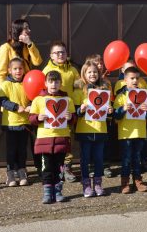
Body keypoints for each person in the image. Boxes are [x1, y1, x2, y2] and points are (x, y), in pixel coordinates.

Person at [29, 71, 76, 204]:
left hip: (61, 139)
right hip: (45, 140)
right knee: (47, 168)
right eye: (50, 81)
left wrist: (70, 117)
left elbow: (73, 119)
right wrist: (37, 118)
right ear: (45, 83)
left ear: (60, 83)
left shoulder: (67, 100)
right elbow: (31, 118)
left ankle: (58, 191)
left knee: (59, 168)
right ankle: (48, 193)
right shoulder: (38, 100)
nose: (53, 84)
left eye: (56, 81)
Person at [73, 61, 112, 197]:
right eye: (89, 72)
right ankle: (86, 185)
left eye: (95, 72)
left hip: (100, 129)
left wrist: (110, 110)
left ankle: (97, 184)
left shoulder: (104, 89)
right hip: (85, 130)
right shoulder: (79, 91)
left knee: (99, 158)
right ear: (84, 74)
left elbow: (108, 109)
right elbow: (75, 111)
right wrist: (81, 109)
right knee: (85, 159)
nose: (92, 74)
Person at [42, 41, 80, 182]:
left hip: (67, 112)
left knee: (68, 140)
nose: (60, 55)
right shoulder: (46, 71)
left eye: (63, 52)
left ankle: (67, 168)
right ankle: (54, 168)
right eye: (57, 52)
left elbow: (78, 89)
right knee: (54, 140)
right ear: (51, 55)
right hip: (52, 113)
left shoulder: (73, 71)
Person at [113, 66, 147, 194]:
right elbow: (116, 115)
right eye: (132, 78)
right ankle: (125, 183)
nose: (135, 81)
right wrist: (123, 109)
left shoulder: (143, 94)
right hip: (126, 133)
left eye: (137, 78)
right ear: (125, 80)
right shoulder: (120, 96)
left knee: (137, 158)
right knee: (126, 159)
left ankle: (138, 181)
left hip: (140, 132)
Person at [0, 58, 31, 186]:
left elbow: (33, 97)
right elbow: (2, 101)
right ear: (9, 70)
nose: (18, 71)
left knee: (22, 149)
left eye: (20, 68)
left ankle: (22, 170)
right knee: (11, 149)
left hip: (24, 123)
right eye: (15, 69)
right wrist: (16, 107)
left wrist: (30, 105)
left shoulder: (27, 83)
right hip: (11, 124)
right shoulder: (5, 84)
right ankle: (10, 173)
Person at [85, 54, 113, 178]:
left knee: (103, 145)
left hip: (102, 120)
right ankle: (90, 167)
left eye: (101, 63)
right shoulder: (81, 86)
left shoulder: (105, 83)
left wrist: (110, 109)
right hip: (87, 123)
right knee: (89, 147)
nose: (100, 65)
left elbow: (109, 100)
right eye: (97, 64)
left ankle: (104, 166)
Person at [0, 19, 42, 87]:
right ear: (18, 31)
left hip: (27, 85)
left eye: (29, 28)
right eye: (26, 28)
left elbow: (37, 62)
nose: (29, 30)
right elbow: (1, 73)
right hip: (12, 87)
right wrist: (2, 92)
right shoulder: (6, 47)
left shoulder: (27, 46)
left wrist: (29, 43)